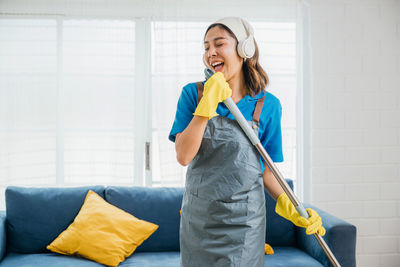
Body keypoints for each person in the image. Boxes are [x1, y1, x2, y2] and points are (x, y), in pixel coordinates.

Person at [169, 17, 325, 267]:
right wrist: (206, 105)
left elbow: (267, 169)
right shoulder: (193, 94)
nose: (211, 53)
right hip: (199, 221)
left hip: (245, 222)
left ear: (244, 50)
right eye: (206, 47)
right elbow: (184, 156)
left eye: (219, 44)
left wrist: (292, 205)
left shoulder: (268, 105)